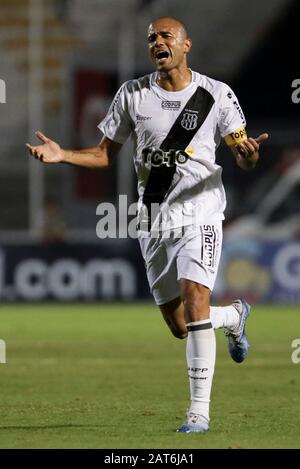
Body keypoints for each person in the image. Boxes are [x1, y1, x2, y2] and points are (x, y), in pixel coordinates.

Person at [26, 17, 269, 433]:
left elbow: (244, 155)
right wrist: (62, 154)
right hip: (154, 220)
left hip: (201, 214)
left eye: (166, 36)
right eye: (151, 37)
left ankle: (198, 412)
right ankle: (232, 316)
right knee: (181, 326)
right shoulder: (133, 94)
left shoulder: (215, 94)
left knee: (195, 302)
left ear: (186, 44)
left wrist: (247, 154)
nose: (157, 42)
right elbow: (105, 154)